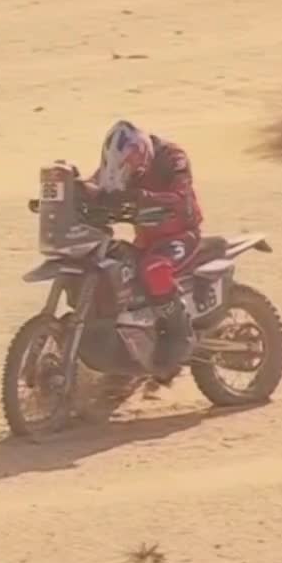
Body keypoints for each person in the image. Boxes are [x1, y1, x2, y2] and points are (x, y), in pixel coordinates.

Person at [84, 119, 202, 374]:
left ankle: (179, 334)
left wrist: (140, 197)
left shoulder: (173, 157)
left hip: (181, 235)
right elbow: (97, 184)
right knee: (114, 264)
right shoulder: (121, 163)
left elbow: (181, 198)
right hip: (148, 240)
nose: (132, 177)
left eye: (135, 172)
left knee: (153, 269)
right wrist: (75, 186)